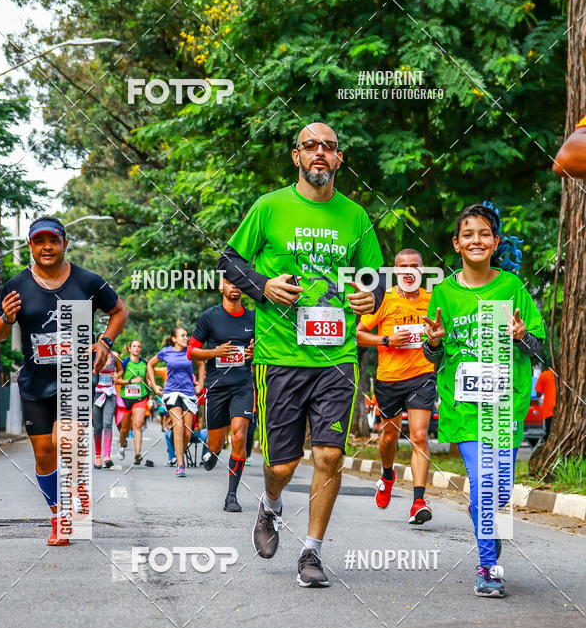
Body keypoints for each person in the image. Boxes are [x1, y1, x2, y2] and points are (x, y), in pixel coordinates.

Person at [218, 120, 386, 587]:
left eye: (328, 147)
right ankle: (270, 504)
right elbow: (230, 260)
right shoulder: (270, 207)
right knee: (281, 465)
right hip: (279, 354)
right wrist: (263, 286)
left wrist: (370, 296)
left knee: (329, 456)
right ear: (296, 156)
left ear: (339, 160)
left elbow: (375, 276)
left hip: (336, 356)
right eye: (310, 145)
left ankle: (311, 552)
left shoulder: (355, 216)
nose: (319, 153)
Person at [423, 203, 545, 597]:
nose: (476, 240)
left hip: (505, 406)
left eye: (484, 234)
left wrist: (523, 335)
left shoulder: (513, 288)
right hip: (464, 408)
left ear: (495, 243)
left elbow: (542, 350)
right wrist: (435, 342)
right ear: (456, 243)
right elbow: (433, 356)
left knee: (501, 489)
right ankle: (489, 564)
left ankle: (490, 543)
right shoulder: (443, 292)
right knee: (483, 482)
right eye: (468, 234)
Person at [0, 216, 127, 545]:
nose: (47, 246)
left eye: (53, 240)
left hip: (75, 378)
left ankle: (77, 487)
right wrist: (6, 318)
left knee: (68, 440)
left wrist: (104, 342)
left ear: (64, 244)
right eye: (40, 241)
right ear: (31, 246)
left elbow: (118, 311)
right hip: (35, 382)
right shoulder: (16, 285)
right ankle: (59, 516)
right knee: (44, 452)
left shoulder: (86, 282)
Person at [357, 249, 436, 524]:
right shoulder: (384, 299)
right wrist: (387, 340)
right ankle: (388, 474)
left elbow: (443, 334)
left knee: (419, 436)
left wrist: (435, 337)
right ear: (395, 270)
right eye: (403, 266)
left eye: (414, 265)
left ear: (421, 270)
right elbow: (357, 335)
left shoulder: (432, 300)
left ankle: (418, 501)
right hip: (389, 379)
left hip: (422, 375)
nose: (408, 271)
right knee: (389, 437)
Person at [188, 279, 255, 512]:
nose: (235, 286)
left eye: (239, 282)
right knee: (216, 443)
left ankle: (231, 495)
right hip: (217, 386)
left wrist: (254, 353)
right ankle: (213, 452)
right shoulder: (209, 317)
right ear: (221, 287)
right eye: (229, 282)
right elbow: (191, 351)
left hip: (243, 385)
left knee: (239, 435)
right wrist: (214, 352)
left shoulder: (253, 318)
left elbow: (265, 350)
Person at [148, 327, 205, 477]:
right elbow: (150, 365)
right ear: (174, 339)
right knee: (178, 426)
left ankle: (180, 452)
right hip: (171, 393)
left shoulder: (191, 351)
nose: (186, 338)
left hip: (188, 393)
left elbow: (201, 365)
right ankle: (180, 464)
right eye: (183, 336)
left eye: (187, 335)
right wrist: (154, 385)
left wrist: (200, 384)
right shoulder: (166, 352)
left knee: (187, 432)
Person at [115, 340, 149, 465]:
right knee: (124, 429)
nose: (136, 348)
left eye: (139, 346)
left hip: (140, 397)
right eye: (134, 346)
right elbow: (116, 380)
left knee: (138, 424)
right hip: (125, 398)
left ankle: (137, 454)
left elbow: (146, 379)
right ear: (129, 349)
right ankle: (122, 445)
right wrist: (130, 382)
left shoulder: (145, 364)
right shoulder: (124, 363)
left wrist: (149, 383)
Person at [93, 350, 123, 468]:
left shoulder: (114, 357)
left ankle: (107, 456)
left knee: (107, 424)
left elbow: (120, 370)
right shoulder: (93, 357)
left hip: (110, 394)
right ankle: (97, 456)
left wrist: (117, 375)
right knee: (97, 427)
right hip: (96, 394)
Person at [535, 364, 557, 439]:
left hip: (549, 409)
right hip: (561, 408)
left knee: (549, 432)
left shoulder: (544, 375)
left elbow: (538, 394)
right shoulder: (564, 375)